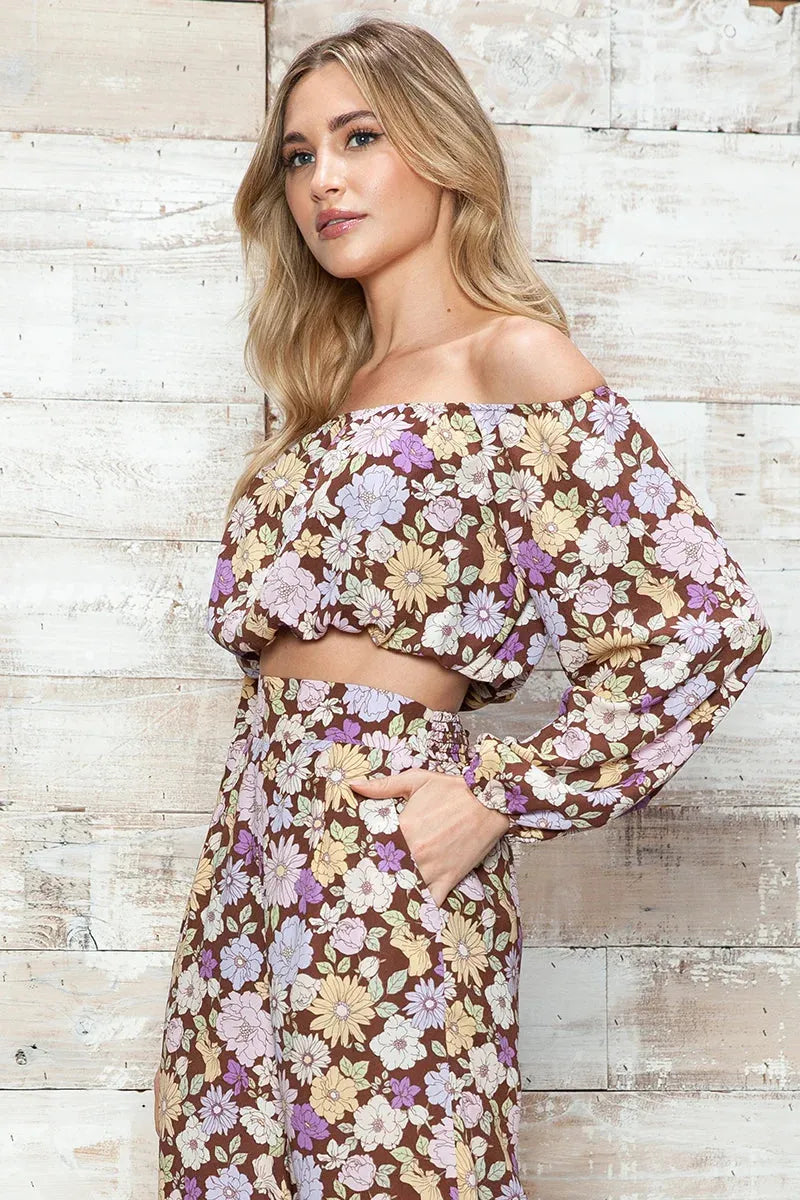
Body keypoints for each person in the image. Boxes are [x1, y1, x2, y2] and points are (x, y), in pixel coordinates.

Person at [153, 17, 772, 1200]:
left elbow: (697, 626)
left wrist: (496, 792)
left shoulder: (511, 361)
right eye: (298, 155)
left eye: (359, 138)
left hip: (385, 852)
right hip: (248, 858)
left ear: (440, 151)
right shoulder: (321, 396)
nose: (322, 180)